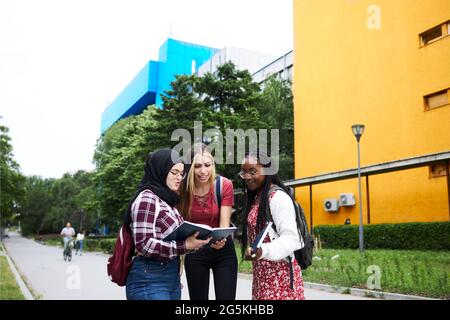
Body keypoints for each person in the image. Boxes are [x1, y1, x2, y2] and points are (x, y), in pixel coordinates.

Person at [125, 149, 211, 300]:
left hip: (171, 278)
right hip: (150, 278)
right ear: (160, 170)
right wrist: (185, 245)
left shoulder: (167, 201)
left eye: (181, 173)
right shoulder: (147, 198)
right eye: (174, 172)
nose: (179, 178)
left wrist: (199, 241)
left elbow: (175, 239)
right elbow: (144, 244)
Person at [240, 150, 305, 300]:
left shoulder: (278, 197)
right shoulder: (257, 197)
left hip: (280, 280)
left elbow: (291, 238)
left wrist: (264, 251)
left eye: (252, 171)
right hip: (262, 279)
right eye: (244, 173)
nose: (247, 177)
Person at [179, 143, 238, 300]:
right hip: (195, 249)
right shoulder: (182, 189)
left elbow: (224, 225)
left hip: (222, 249)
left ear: (213, 164)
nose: (203, 171)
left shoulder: (224, 185)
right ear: (190, 167)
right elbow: (180, 225)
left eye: (207, 165)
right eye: (197, 166)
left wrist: (221, 239)